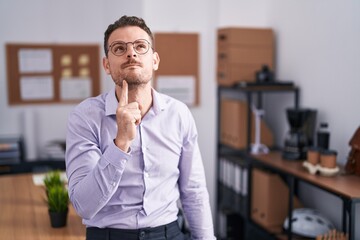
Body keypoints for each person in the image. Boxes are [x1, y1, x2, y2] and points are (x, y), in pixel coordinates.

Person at [65, 15, 216, 240]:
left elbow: (193, 192)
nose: (131, 53)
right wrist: (121, 144)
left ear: (154, 60)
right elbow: (84, 206)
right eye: (119, 48)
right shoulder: (85, 117)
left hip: (169, 233)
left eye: (140, 46)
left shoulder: (179, 114)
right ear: (106, 65)